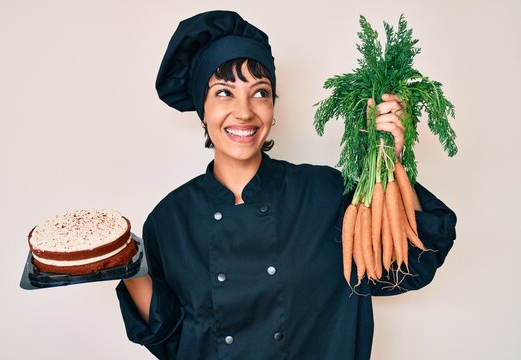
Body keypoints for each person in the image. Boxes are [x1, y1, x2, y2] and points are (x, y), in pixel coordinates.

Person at [115, 10, 456, 360]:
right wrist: (128, 266)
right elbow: (169, 337)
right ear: (202, 110)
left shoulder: (327, 196)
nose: (244, 112)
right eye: (224, 93)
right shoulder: (170, 220)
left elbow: (412, 263)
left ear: (273, 108)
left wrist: (389, 160)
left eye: (260, 93)